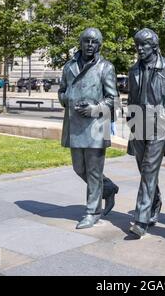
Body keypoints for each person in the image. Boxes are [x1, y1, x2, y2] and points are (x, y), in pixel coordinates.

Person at [58, 27, 119, 229]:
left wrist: (95, 109)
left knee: (93, 171)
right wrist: (67, 98)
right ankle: (107, 188)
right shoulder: (69, 67)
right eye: (87, 41)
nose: (90, 45)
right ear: (81, 43)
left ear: (99, 45)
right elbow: (61, 91)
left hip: (96, 125)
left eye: (94, 42)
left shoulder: (105, 68)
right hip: (75, 125)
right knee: (79, 168)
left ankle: (92, 211)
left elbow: (113, 99)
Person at [126, 28, 165, 238]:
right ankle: (155, 201)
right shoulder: (134, 71)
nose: (140, 49)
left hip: (159, 128)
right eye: (138, 45)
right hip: (138, 126)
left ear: (154, 46)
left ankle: (141, 220)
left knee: (149, 170)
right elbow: (131, 98)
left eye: (144, 45)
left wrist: (161, 116)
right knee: (145, 172)